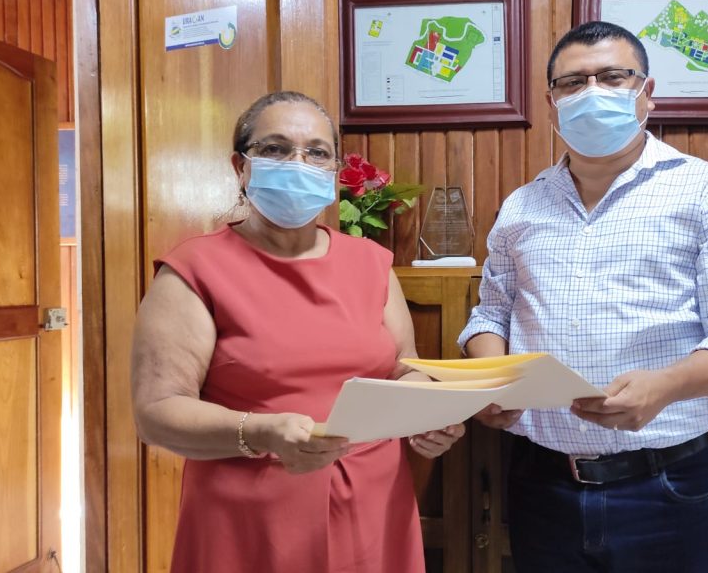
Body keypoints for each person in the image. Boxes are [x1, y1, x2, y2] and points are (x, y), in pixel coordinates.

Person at [459, 22, 708, 572]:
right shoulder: (522, 206)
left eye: (612, 77)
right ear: (552, 101)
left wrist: (666, 386)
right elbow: (490, 311)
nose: (592, 92)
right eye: (573, 83)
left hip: (662, 484)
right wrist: (495, 380)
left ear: (646, 91)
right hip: (540, 481)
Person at [130, 91, 464, 572]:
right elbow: (157, 412)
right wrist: (261, 431)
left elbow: (402, 370)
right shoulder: (194, 270)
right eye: (275, 149)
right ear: (240, 167)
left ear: (333, 171)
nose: (298, 162)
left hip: (374, 506)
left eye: (316, 152)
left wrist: (426, 418)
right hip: (249, 518)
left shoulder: (371, 263)